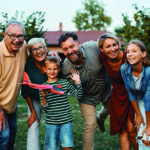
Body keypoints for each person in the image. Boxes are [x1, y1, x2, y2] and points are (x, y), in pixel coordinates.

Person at [58, 32, 111, 150]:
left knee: (109, 109)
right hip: (87, 97)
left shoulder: (93, 47)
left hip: (107, 89)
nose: (70, 51)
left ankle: (100, 118)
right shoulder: (66, 69)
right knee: (90, 124)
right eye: (65, 49)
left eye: (72, 46)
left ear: (79, 43)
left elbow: (110, 50)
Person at [97, 33, 138, 150]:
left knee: (132, 130)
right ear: (101, 49)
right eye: (108, 46)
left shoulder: (128, 57)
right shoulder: (102, 57)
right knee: (122, 129)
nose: (113, 49)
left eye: (114, 44)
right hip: (117, 95)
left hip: (132, 94)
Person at [39, 56, 83, 150]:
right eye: (49, 69)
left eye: (55, 68)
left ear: (59, 69)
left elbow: (78, 95)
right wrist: (44, 96)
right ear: (45, 69)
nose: (52, 71)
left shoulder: (64, 83)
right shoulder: (43, 87)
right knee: (51, 147)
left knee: (67, 146)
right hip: (51, 122)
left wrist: (78, 82)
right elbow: (44, 108)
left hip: (65, 121)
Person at [0, 20, 27, 150]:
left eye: (20, 36)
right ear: (5, 35)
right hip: (0, 106)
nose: (17, 40)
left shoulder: (23, 48)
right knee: (3, 139)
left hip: (11, 106)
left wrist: (50, 54)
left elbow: (38, 50)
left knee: (11, 137)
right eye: (13, 36)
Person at [121, 40, 150, 150]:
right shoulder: (124, 69)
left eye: (134, 51)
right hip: (140, 101)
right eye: (128, 52)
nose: (130, 55)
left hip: (148, 101)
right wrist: (138, 114)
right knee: (141, 134)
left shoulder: (148, 72)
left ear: (143, 54)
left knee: (148, 135)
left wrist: (149, 126)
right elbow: (131, 92)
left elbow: (148, 99)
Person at [21, 38, 48, 150]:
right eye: (34, 49)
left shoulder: (53, 61)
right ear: (31, 53)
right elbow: (26, 91)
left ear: (45, 48)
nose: (38, 51)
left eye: (40, 47)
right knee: (33, 124)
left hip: (51, 99)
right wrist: (32, 111)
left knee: (52, 126)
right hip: (34, 99)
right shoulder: (27, 66)